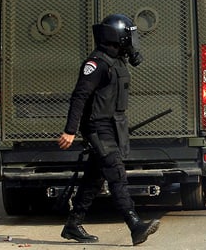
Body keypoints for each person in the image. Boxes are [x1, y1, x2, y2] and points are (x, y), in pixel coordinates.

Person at [58, 14, 160, 245]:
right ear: (117, 37)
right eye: (128, 36)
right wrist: (70, 130)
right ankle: (135, 225)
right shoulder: (96, 64)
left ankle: (73, 225)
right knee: (116, 174)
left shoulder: (117, 61)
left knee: (94, 178)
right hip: (98, 127)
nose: (131, 41)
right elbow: (80, 96)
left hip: (113, 126)